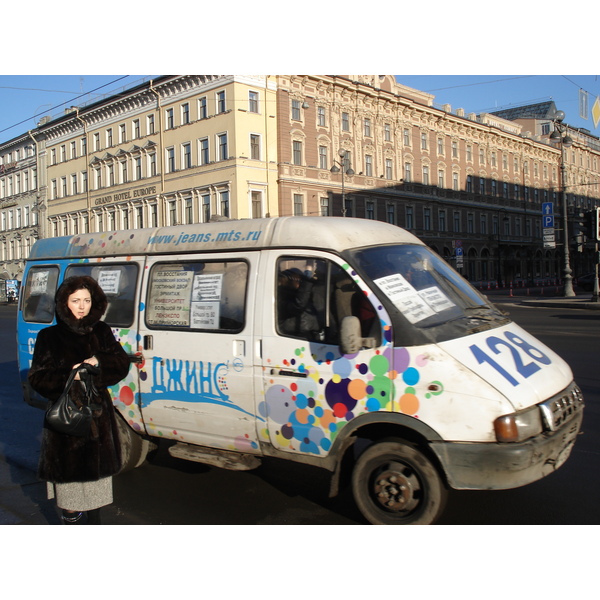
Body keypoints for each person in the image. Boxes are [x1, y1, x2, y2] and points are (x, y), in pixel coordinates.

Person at [28, 275, 130, 525]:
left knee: (95, 500)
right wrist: (69, 375)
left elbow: (121, 364)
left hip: (98, 422)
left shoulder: (102, 331)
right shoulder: (49, 336)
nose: (82, 306)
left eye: (87, 300)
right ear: (65, 303)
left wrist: (100, 363)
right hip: (67, 424)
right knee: (71, 501)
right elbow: (38, 378)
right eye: (76, 300)